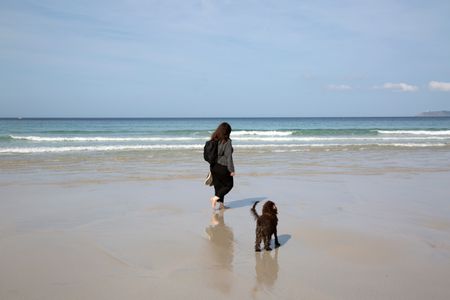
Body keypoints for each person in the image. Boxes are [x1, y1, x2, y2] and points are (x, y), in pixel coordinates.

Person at [210, 122, 235, 210]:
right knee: (229, 185)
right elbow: (228, 157)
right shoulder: (227, 141)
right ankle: (215, 198)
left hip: (213, 166)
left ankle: (221, 206)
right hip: (223, 167)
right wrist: (231, 170)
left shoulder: (214, 139)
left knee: (219, 186)